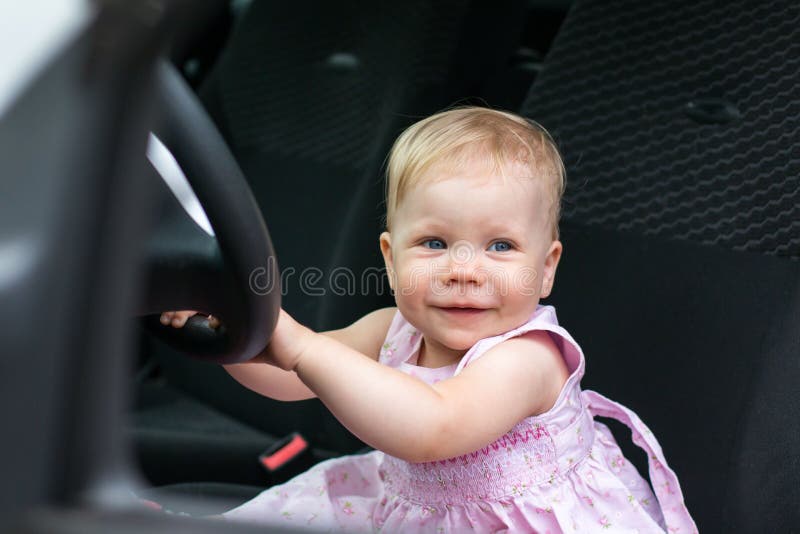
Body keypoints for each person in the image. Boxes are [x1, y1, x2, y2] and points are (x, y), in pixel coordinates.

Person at [162, 107, 697, 533]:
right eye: (434, 243)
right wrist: (230, 332)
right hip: (412, 508)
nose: (463, 271)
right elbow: (287, 375)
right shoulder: (392, 327)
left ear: (546, 267)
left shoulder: (528, 357)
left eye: (501, 246)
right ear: (391, 258)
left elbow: (433, 427)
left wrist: (301, 345)